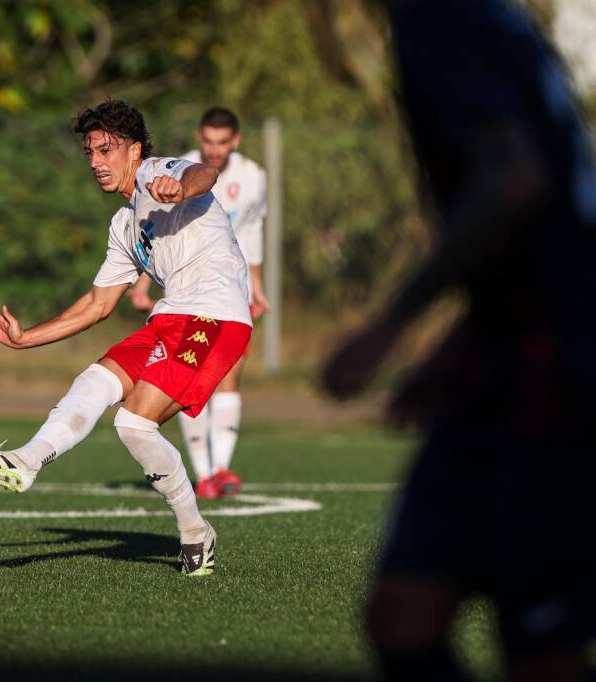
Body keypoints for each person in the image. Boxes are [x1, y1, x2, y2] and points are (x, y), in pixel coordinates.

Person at [322, 1, 596, 679]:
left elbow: (513, 181)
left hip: (556, 366)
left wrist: (391, 323)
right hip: (502, 352)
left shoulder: (446, 22)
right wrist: (457, 346)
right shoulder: (481, 20)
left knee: (540, 653)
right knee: (403, 616)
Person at [0, 99, 253, 576]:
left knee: (133, 425)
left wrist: (178, 188)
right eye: (90, 152)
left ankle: (196, 532)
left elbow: (204, 175)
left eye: (105, 150)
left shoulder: (160, 171)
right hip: (170, 316)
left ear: (134, 151)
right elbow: (97, 305)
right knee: (95, 380)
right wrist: (25, 337)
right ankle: (26, 462)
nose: (95, 161)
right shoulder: (123, 225)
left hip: (216, 318)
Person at [127, 107, 270, 500]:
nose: (213, 149)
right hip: (190, 285)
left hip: (233, 284)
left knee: (230, 373)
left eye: (222, 142)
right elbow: (157, 228)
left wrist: (256, 286)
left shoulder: (253, 176)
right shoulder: (181, 169)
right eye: (207, 140)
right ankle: (204, 472)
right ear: (199, 137)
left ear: (235, 142)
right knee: (191, 376)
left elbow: (253, 231)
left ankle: (220, 468)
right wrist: (141, 282)